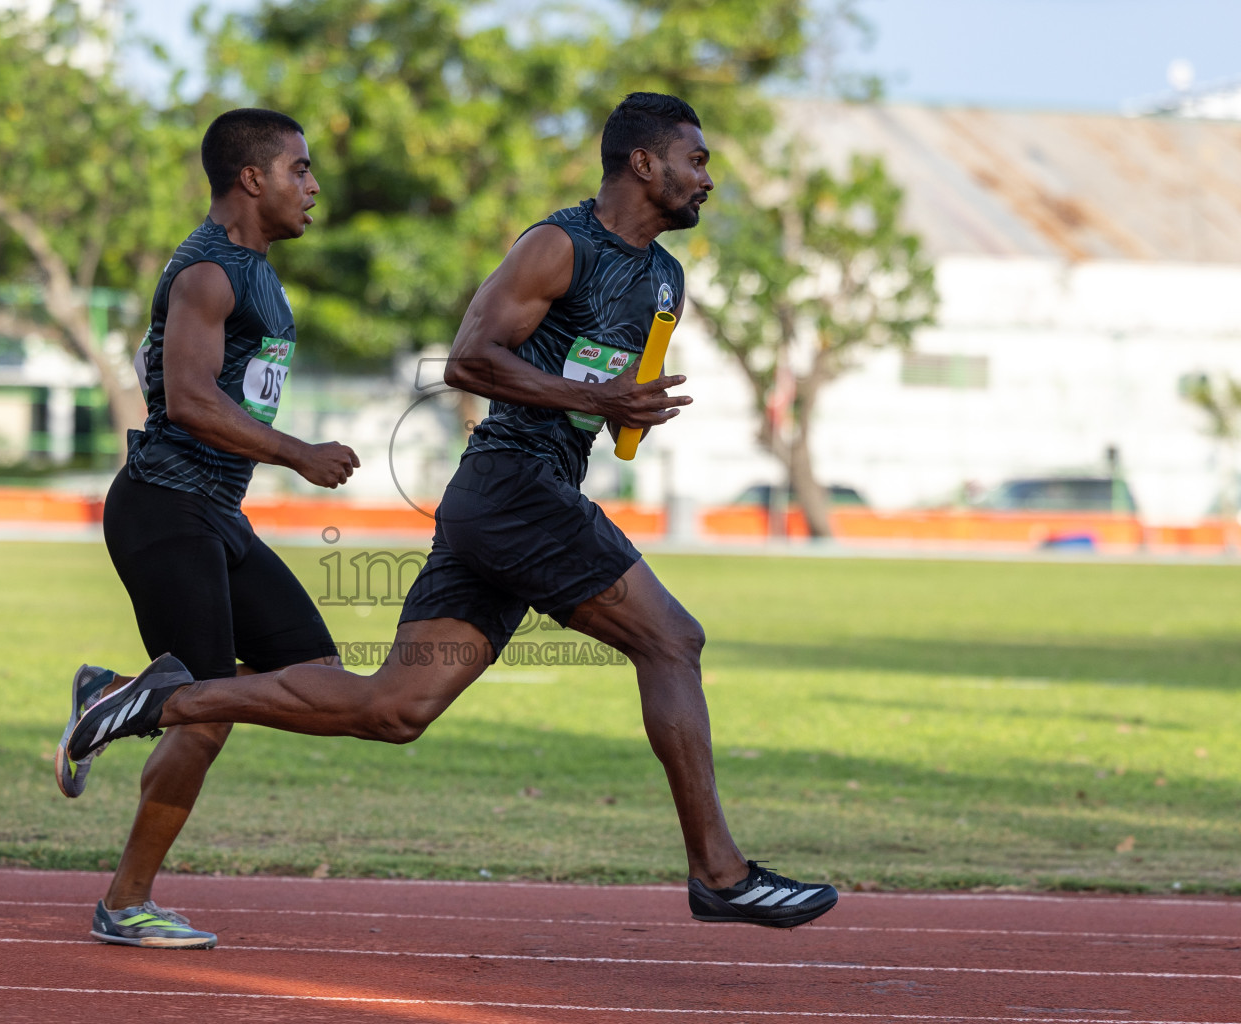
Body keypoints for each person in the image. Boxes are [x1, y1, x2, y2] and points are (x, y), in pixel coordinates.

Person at [69, 93, 838, 929]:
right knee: (671, 637)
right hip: (507, 487)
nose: (707, 179)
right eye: (697, 160)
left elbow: (601, 398)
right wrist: (296, 451)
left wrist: (619, 411)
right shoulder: (556, 245)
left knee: (390, 708)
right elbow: (470, 361)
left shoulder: (664, 279)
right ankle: (720, 874)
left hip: (510, 496)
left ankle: (142, 705)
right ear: (643, 163)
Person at [53, 107, 360, 949]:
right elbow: (188, 400)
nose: (314, 185)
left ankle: (119, 695)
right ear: (251, 178)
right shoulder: (208, 274)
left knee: (315, 675)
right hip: (165, 507)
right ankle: (126, 901)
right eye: (300, 169)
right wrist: (299, 453)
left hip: (215, 514)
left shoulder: (257, 271)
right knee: (209, 712)